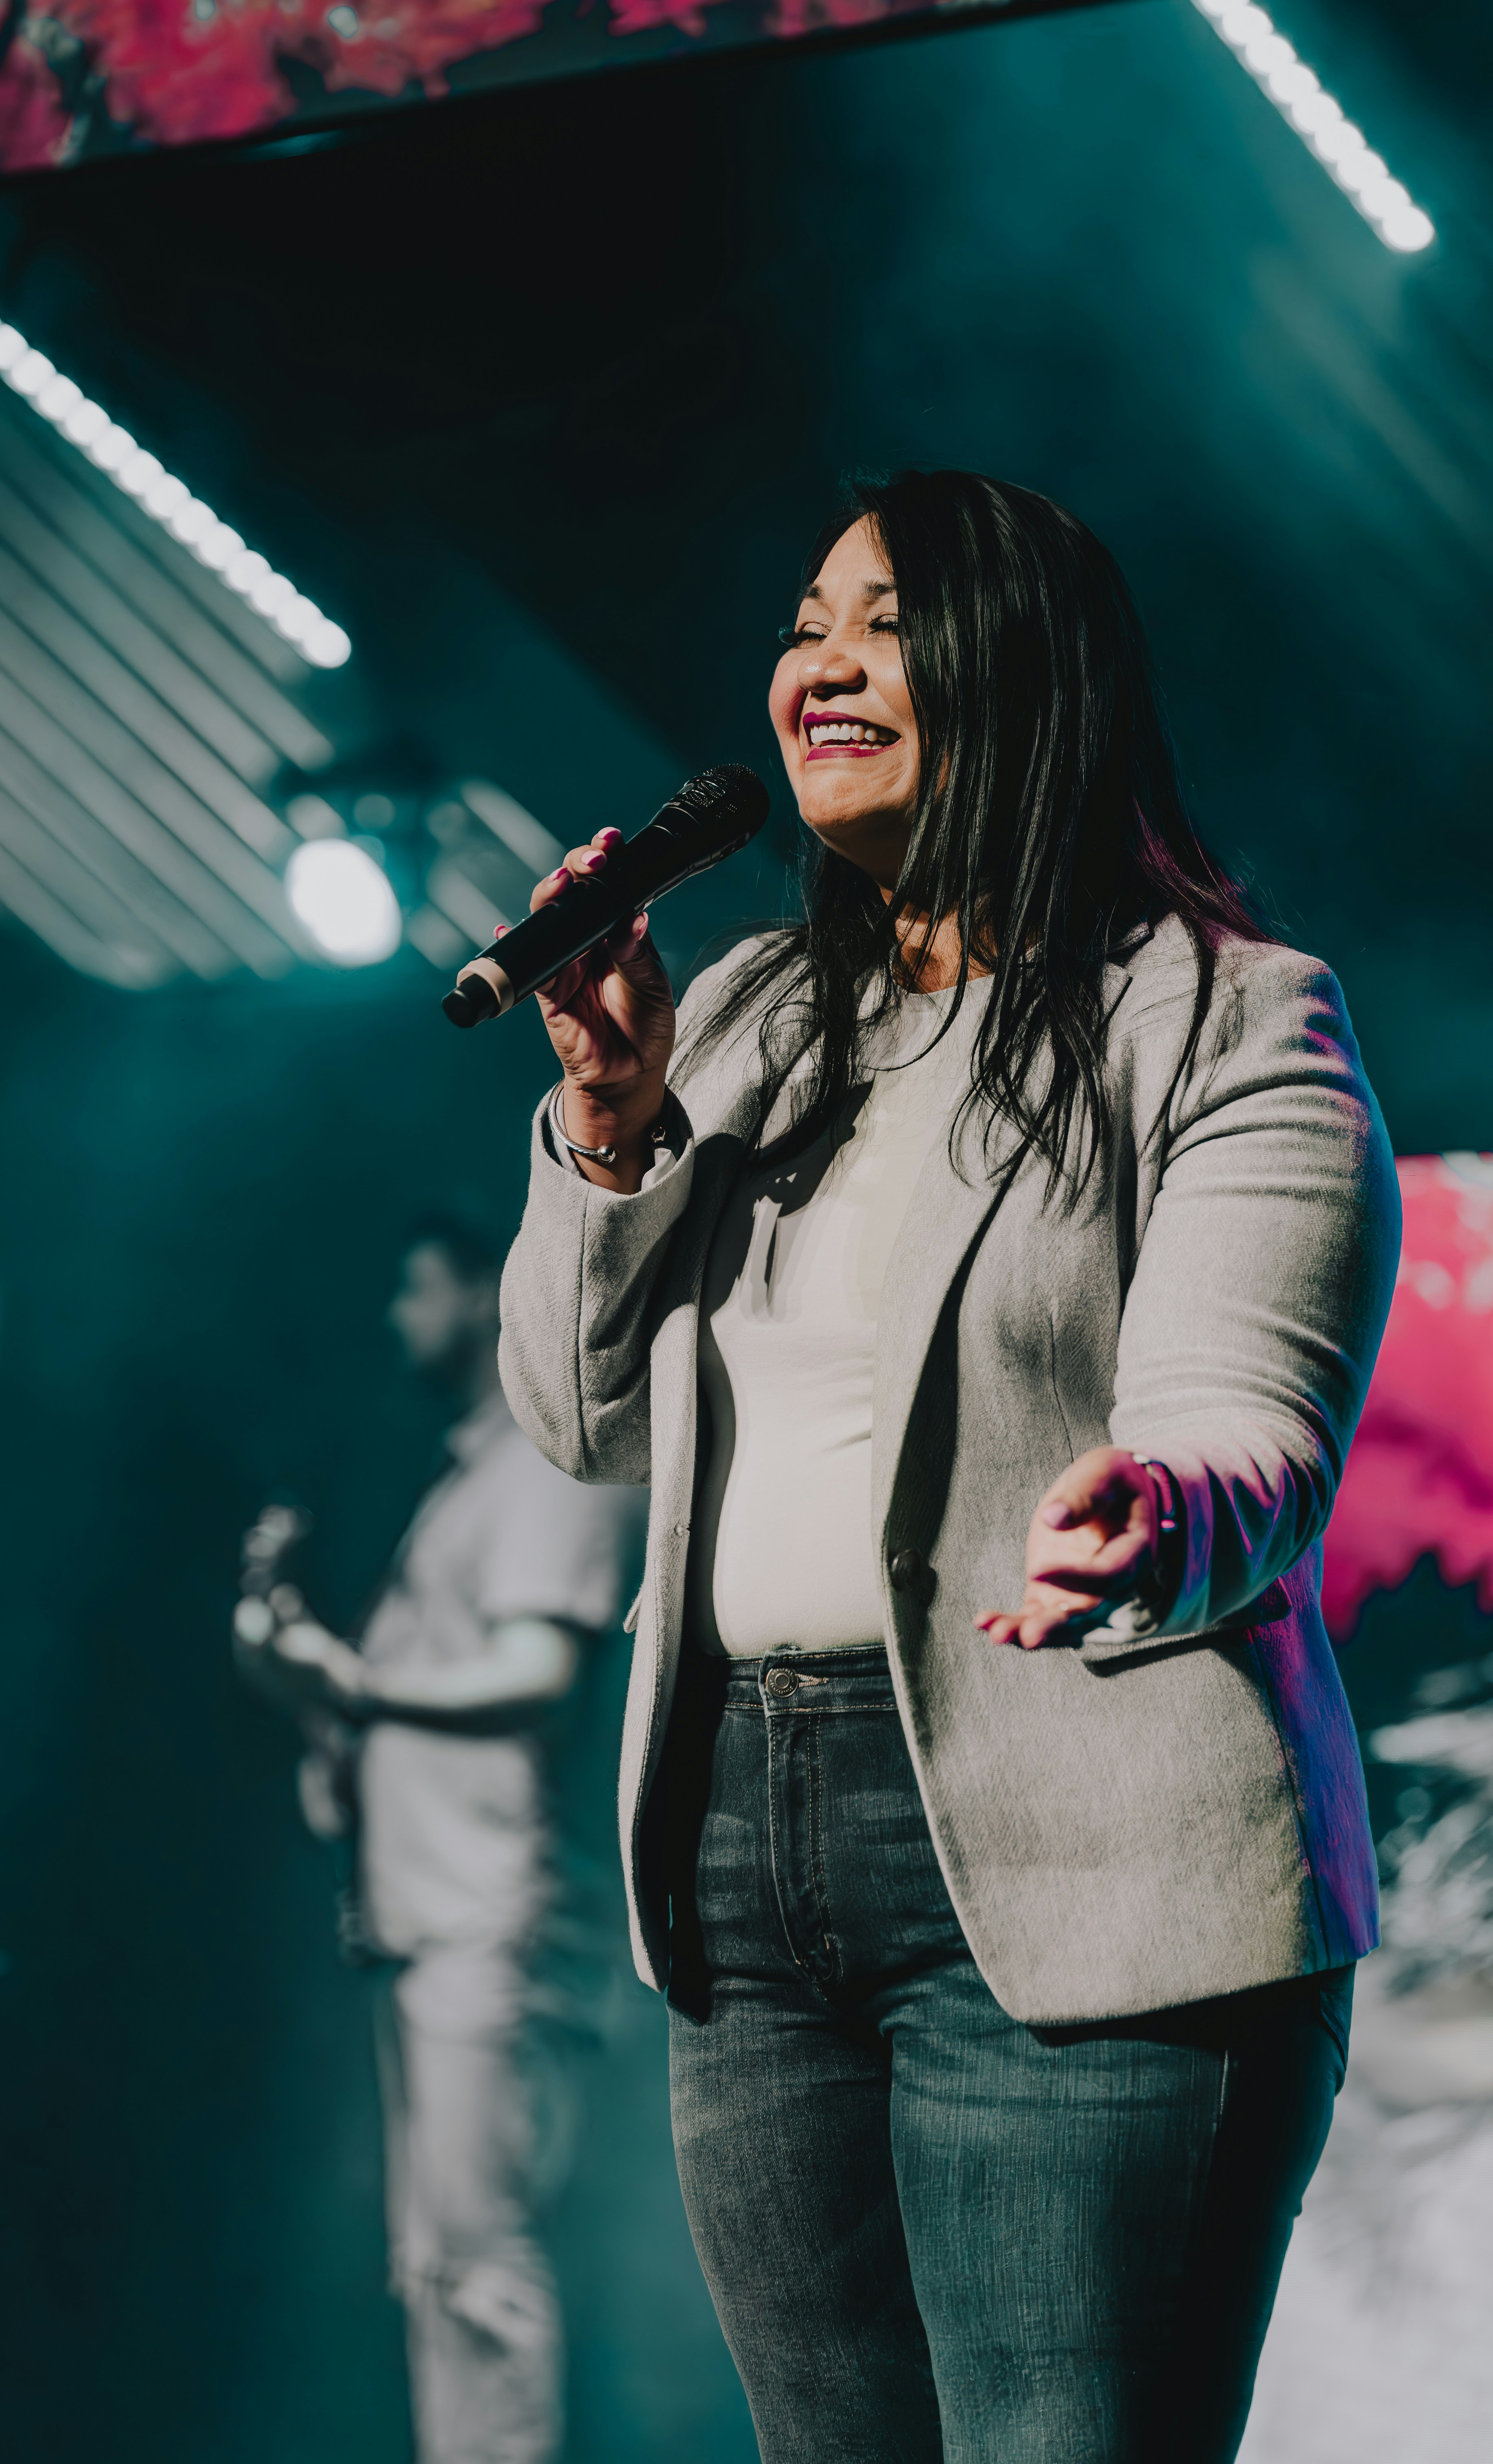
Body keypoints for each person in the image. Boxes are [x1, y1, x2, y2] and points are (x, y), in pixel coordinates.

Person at [497, 468, 1402, 2462]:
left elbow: (1248, 1409)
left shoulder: (1230, 1022)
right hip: (742, 1850)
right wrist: (620, 1122)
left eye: (886, 623)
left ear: (1027, 673)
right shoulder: (733, 1023)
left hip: (1083, 1831)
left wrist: (1158, 1513)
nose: (821, 659)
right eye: (807, 618)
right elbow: (583, 1420)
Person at [235, 1215, 646, 2464]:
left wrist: (352, 1685)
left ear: (484, 1293)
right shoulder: (470, 1481)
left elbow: (532, 1672)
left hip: (495, 1919)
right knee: (443, 2266)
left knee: (480, 2271)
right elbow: (398, 1706)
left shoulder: (545, 1468)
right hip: (439, 1919)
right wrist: (298, 1666)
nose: (395, 1320)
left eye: (415, 1290)